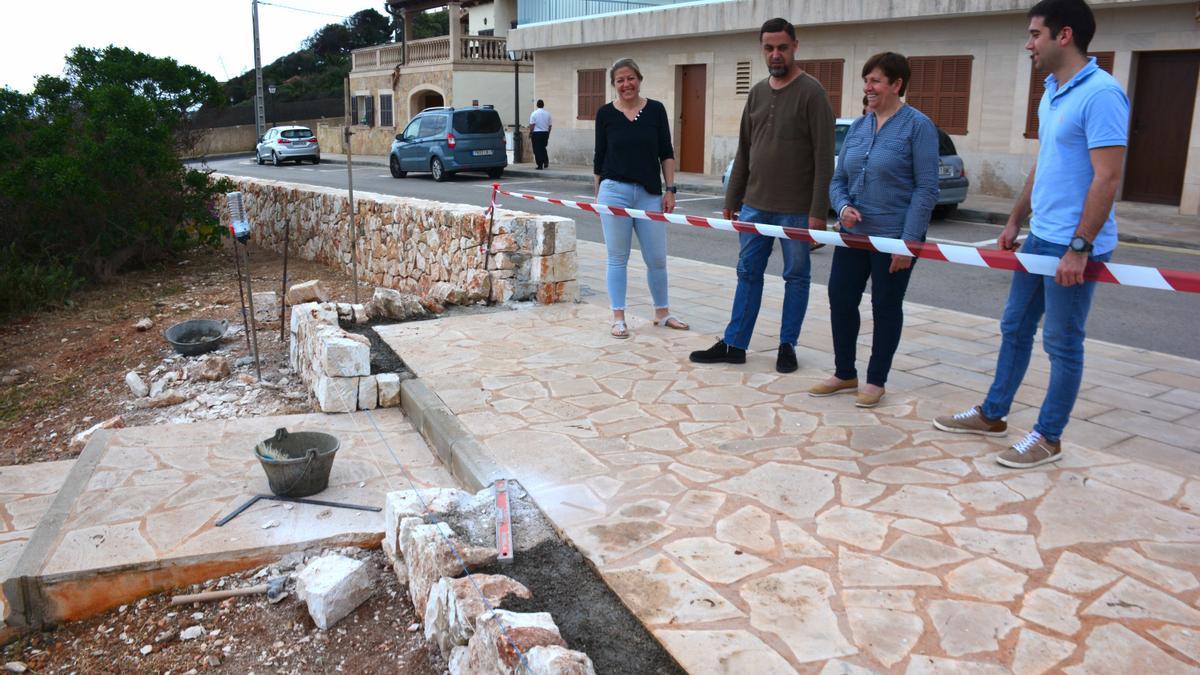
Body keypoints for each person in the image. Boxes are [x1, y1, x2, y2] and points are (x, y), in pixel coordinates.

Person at [933, 0, 1129, 468]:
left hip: (1074, 244)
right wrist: (1016, 218)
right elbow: (1046, 164)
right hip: (1041, 236)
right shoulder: (1053, 91)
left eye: (1035, 34)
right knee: (1015, 327)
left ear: (1064, 35)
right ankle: (993, 413)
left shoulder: (1101, 94)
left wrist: (1079, 248)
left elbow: (1107, 178)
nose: (1028, 44)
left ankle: (1048, 437)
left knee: (1062, 341)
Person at [689, 17, 834, 373]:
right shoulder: (756, 92)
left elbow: (823, 157)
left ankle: (787, 346)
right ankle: (735, 344)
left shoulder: (812, 93)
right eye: (768, 48)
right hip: (754, 206)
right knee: (747, 274)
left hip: (797, 211)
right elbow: (745, 149)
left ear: (795, 46)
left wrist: (818, 213)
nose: (775, 54)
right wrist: (732, 198)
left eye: (782, 47)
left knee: (796, 278)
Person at [810, 52, 939, 408]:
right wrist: (843, 206)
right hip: (855, 236)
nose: (868, 87)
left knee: (885, 306)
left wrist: (908, 243)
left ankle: (876, 380)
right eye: (866, 80)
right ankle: (844, 372)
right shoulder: (858, 127)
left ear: (897, 84)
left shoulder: (917, 126)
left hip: (895, 236)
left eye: (876, 81)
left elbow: (926, 189)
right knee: (840, 298)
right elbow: (839, 178)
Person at [593, 58, 688, 339]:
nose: (626, 85)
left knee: (657, 257)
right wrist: (598, 194)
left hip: (649, 194)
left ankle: (663, 312)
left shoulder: (656, 110)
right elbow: (600, 157)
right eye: (620, 80)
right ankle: (618, 317)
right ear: (614, 85)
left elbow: (666, 152)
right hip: (614, 192)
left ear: (639, 78)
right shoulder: (605, 114)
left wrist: (670, 189)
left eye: (630, 78)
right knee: (617, 258)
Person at [530, 100, 552, 169]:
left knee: (537, 149)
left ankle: (540, 164)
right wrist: (548, 133)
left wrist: (531, 133)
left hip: (537, 133)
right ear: (543, 105)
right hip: (545, 133)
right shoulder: (548, 114)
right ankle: (545, 162)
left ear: (537, 105)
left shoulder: (534, 113)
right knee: (543, 148)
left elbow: (532, 125)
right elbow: (550, 126)